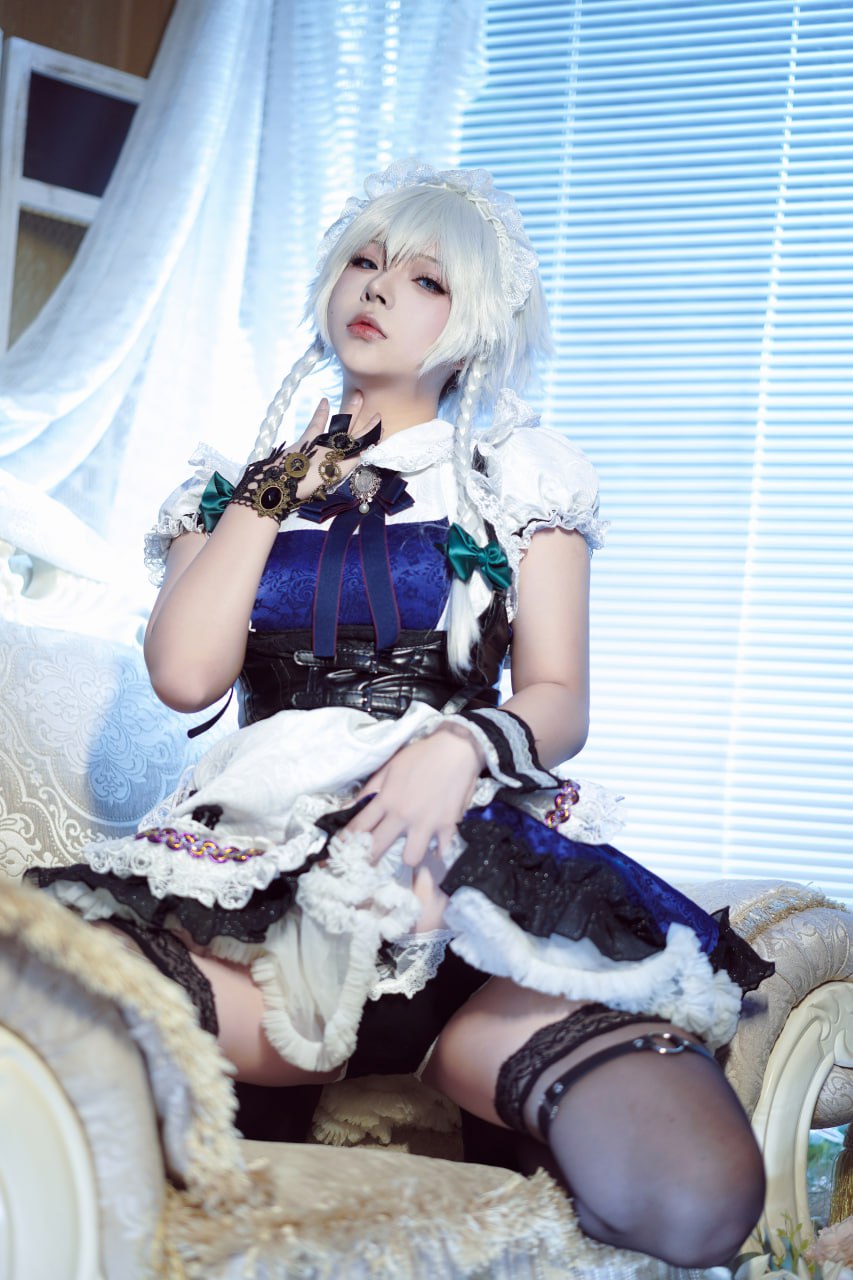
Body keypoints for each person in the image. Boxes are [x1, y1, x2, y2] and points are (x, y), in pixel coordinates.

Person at [28, 161, 771, 1266]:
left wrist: (461, 745)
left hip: (468, 899)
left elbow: (558, 697)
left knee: (693, 1197)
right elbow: (186, 676)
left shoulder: (518, 478)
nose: (378, 287)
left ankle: (466, 1098)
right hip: (260, 913)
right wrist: (275, 490)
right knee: (40, 992)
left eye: (426, 280)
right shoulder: (226, 494)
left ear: (473, 329)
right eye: (364, 263)